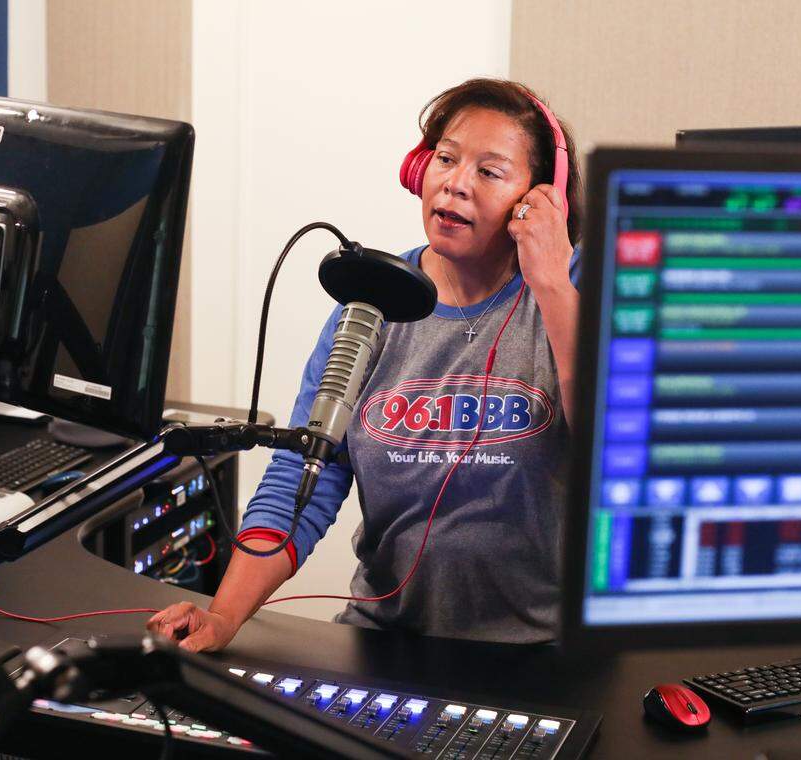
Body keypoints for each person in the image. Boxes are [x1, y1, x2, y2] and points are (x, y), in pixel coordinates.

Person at [148, 78, 583, 651]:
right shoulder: (375, 302)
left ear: (540, 199)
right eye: (446, 159)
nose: (455, 183)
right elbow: (302, 476)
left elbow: (620, 453)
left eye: (489, 171)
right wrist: (224, 616)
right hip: (386, 645)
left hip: (545, 658)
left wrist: (550, 279)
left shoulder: (575, 298)